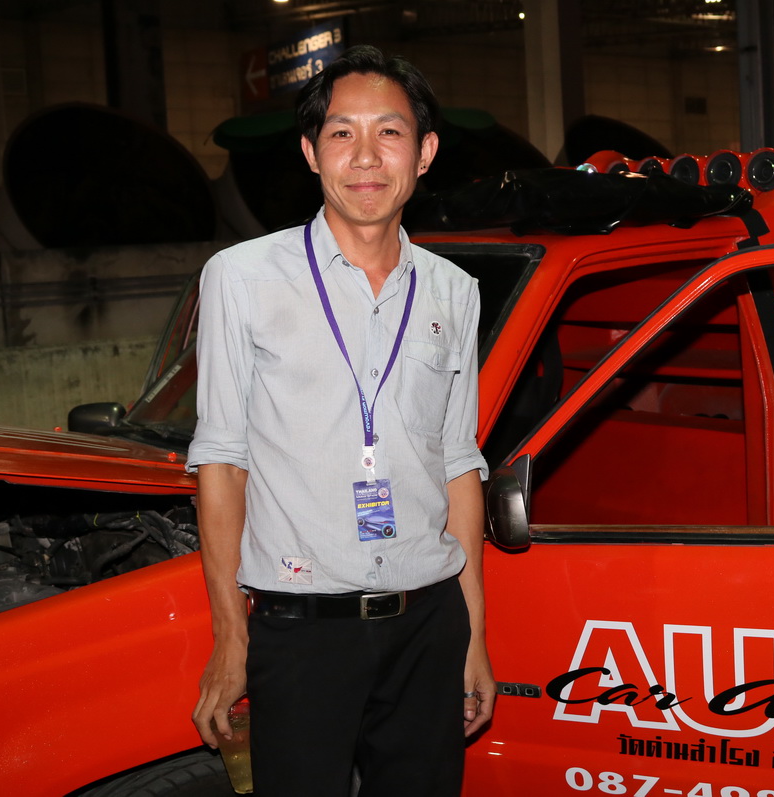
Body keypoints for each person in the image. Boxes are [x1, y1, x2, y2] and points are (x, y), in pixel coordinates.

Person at [187, 44, 494, 796]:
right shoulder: (242, 278)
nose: (365, 157)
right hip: (302, 633)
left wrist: (473, 634)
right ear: (310, 152)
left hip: (429, 623)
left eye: (389, 132)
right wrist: (231, 635)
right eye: (341, 133)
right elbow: (221, 461)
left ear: (423, 153)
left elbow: (458, 463)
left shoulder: (454, 292)